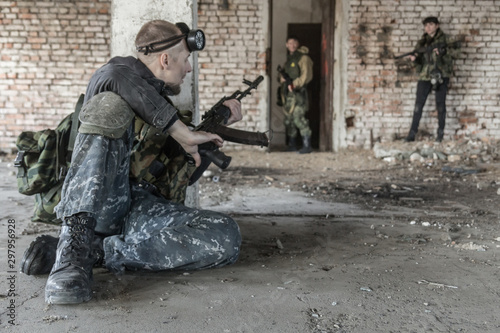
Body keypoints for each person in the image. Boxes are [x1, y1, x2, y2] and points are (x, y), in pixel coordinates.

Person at [20, 20, 243, 305]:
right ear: (165, 59)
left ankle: (98, 253)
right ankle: (71, 257)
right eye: (186, 60)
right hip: (101, 205)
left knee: (225, 235)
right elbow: (112, 72)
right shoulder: (112, 82)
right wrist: (179, 130)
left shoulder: (166, 107)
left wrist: (215, 128)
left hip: (141, 211)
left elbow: (183, 179)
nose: (189, 69)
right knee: (109, 106)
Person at [405, 16, 458, 143]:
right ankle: (412, 134)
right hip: (425, 76)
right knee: (418, 105)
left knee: (440, 105)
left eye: (430, 25)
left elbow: (456, 54)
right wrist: (414, 60)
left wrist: (443, 53)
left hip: (441, 75)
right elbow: (418, 61)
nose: (428, 27)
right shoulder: (422, 42)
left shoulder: (446, 39)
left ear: (437, 25)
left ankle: (440, 134)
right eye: (426, 25)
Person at [278, 36, 314, 154]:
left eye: (294, 43)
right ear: (286, 45)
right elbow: (284, 75)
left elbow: (306, 76)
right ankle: (292, 145)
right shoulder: (290, 59)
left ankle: (307, 145)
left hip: (299, 94)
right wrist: (282, 79)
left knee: (299, 118)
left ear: (298, 44)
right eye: (289, 43)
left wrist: (294, 84)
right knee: (289, 120)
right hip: (289, 96)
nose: (292, 45)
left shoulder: (303, 58)